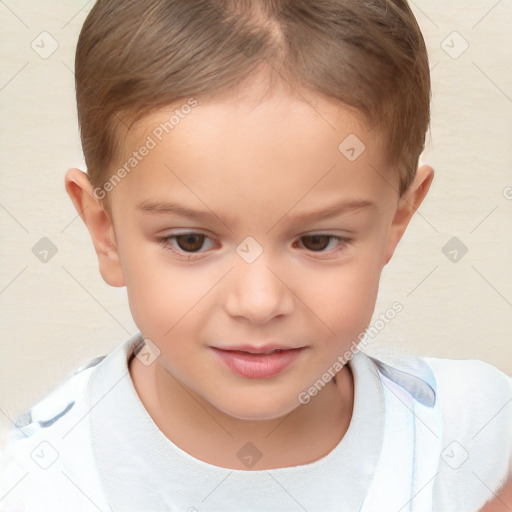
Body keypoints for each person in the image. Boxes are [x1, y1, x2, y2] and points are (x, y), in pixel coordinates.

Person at [1, 0, 511, 510]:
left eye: (317, 241)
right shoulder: (29, 485)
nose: (259, 302)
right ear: (104, 229)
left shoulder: (479, 439)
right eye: (191, 241)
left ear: (396, 220)